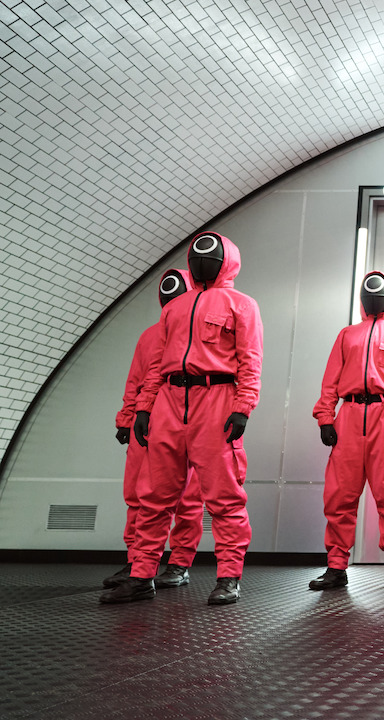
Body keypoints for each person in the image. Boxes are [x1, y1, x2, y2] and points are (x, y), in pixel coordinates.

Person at [101, 231, 263, 606]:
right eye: (196, 258)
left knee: (225, 498)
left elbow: (250, 360)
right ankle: (141, 576)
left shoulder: (242, 305)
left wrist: (243, 407)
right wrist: (144, 409)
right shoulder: (175, 309)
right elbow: (157, 364)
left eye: (210, 258)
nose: (201, 263)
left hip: (217, 400)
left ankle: (229, 577)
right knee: (153, 497)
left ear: (226, 262)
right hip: (169, 401)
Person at [310, 270, 384, 592]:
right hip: (349, 416)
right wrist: (326, 418)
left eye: (379, 295)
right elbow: (330, 379)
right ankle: (336, 566)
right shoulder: (347, 335)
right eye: (369, 296)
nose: (373, 300)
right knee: (339, 496)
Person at [105, 268, 204, 590]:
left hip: (183, 420)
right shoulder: (149, 336)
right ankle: (137, 561)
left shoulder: (198, 331)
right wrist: (126, 418)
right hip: (145, 423)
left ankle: (179, 563)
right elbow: (135, 380)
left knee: (187, 499)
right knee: (137, 495)